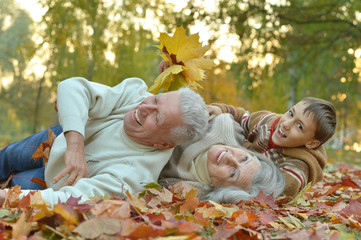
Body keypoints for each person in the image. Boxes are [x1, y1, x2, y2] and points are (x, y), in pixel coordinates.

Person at [0, 77, 209, 207]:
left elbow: (72, 200)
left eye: (158, 118)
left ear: (164, 144)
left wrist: (7, 199)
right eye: (155, 100)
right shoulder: (135, 94)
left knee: (18, 184)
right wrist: (75, 144)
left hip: (57, 182)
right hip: (60, 139)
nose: (145, 108)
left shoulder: (132, 176)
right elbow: (71, 87)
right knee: (8, 155)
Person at [207, 97, 337, 197]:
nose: (286, 124)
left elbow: (275, 188)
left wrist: (253, 149)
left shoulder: (299, 166)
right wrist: (221, 109)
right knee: (225, 121)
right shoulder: (267, 121)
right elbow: (243, 117)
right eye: (291, 114)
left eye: (299, 126)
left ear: (311, 143)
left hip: (237, 172)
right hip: (235, 155)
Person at [158, 114, 285, 203]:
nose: (230, 158)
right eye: (245, 159)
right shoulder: (225, 126)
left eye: (233, 173)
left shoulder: (183, 190)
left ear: (219, 188)